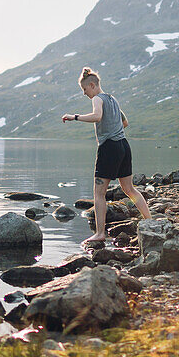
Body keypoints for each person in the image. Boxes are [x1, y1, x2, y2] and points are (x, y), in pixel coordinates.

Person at [61, 67, 151, 244]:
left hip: (109, 148)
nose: (85, 94)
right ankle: (150, 220)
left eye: (85, 90)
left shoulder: (97, 99)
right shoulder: (113, 99)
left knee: (99, 192)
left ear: (92, 85)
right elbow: (125, 122)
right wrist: (113, 130)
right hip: (124, 146)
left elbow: (97, 116)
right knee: (129, 188)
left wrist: (75, 117)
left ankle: (100, 233)